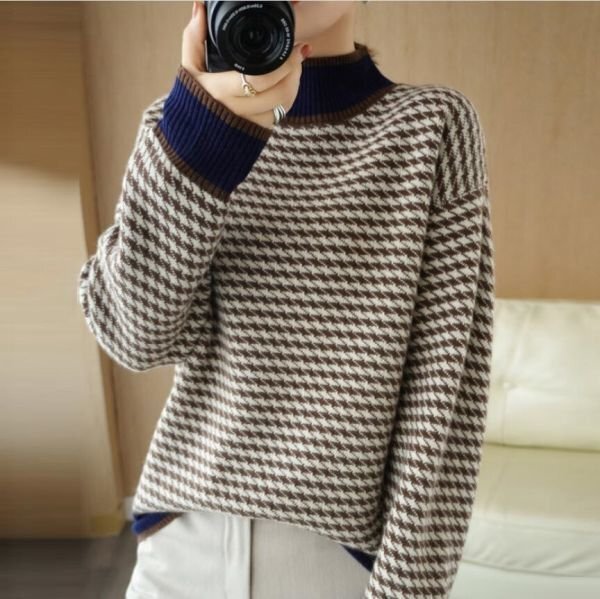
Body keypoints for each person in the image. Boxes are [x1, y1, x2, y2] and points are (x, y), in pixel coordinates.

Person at [77, 1, 495, 598]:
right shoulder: (181, 124)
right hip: (179, 545)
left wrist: (409, 588)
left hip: (332, 564)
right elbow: (134, 338)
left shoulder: (430, 128)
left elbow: (443, 400)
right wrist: (200, 142)